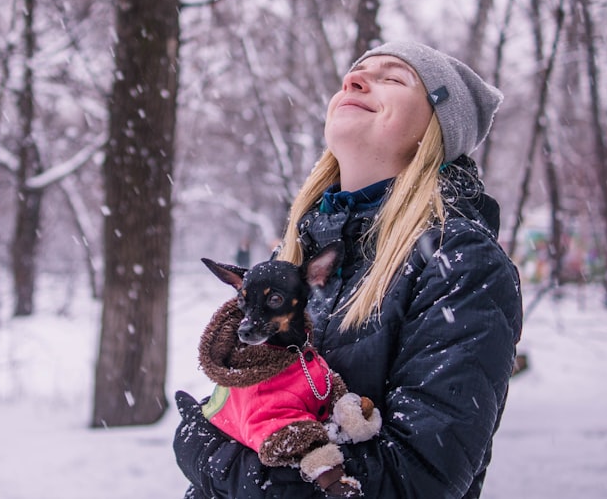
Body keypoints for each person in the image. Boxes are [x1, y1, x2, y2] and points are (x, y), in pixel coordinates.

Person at [174, 41, 523, 498]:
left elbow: (415, 477)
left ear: (436, 129)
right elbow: (245, 403)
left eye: (394, 78)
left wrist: (208, 455)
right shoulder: (296, 253)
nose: (353, 81)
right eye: (354, 75)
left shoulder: (459, 262)